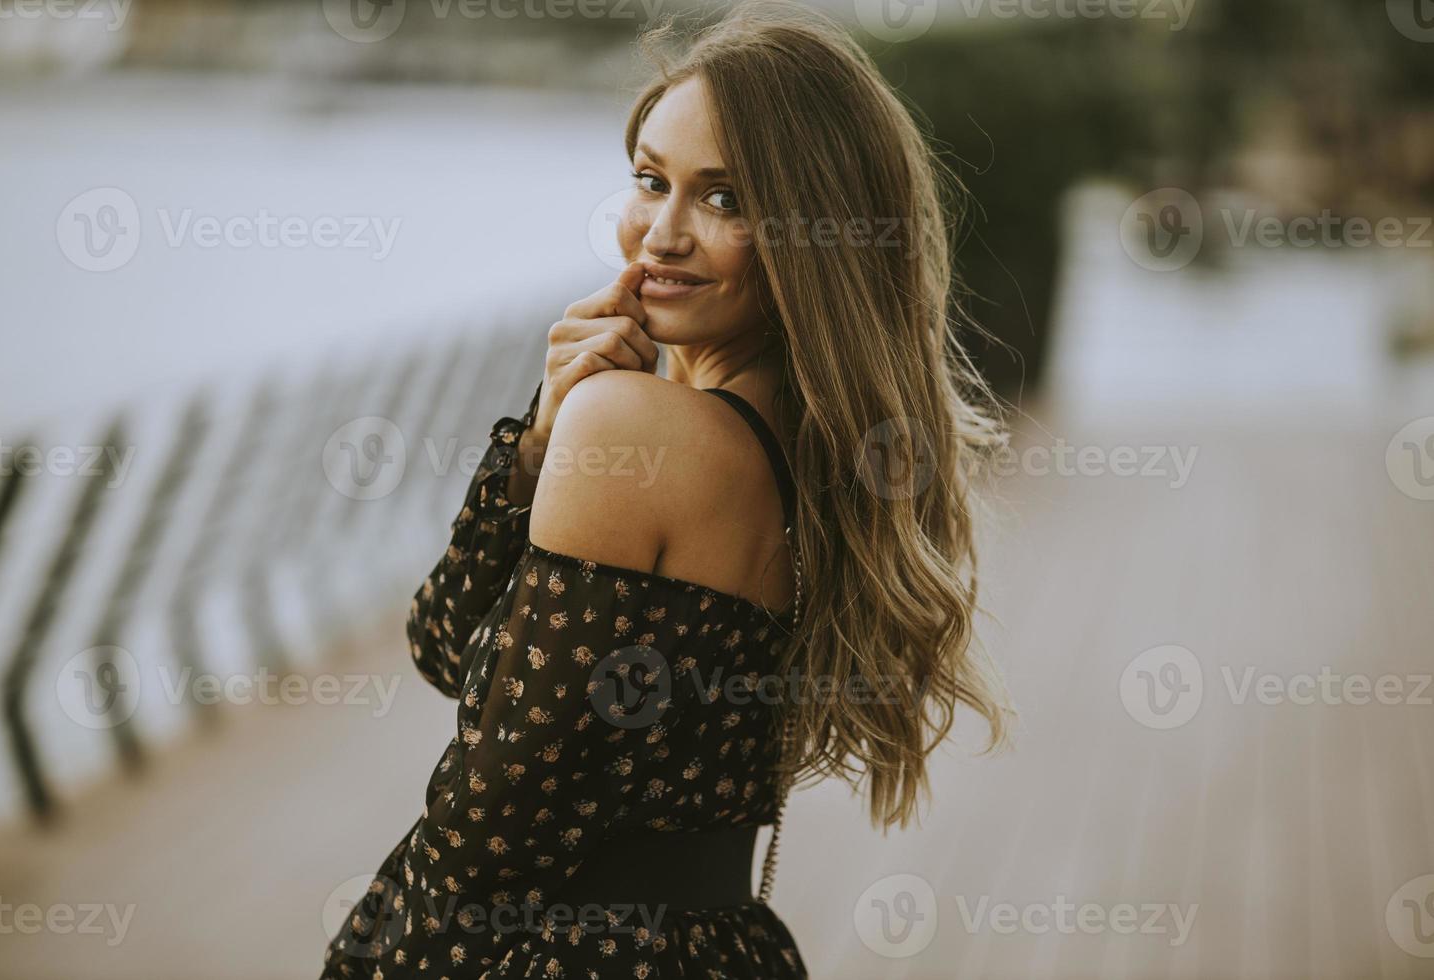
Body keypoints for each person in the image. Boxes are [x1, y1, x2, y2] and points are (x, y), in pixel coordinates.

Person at [321, 3, 1013, 977]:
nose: (661, 235)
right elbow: (447, 646)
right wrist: (536, 441)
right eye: (651, 180)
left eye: (725, 198)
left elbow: (480, 846)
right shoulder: (808, 448)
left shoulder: (641, 431)